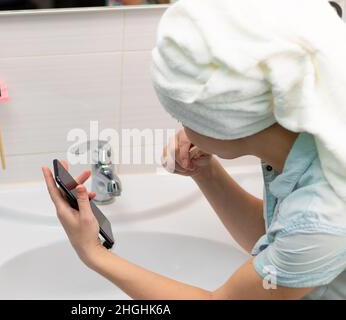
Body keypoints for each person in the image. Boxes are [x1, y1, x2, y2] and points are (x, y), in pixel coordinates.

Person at [43, 0, 346, 299]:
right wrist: (206, 173)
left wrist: (93, 253)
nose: (184, 131)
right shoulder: (303, 141)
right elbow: (275, 237)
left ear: (224, 120)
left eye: (183, 118)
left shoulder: (323, 212)